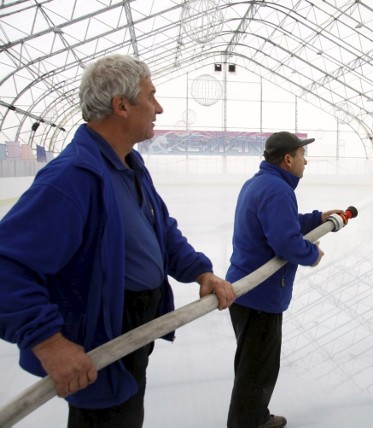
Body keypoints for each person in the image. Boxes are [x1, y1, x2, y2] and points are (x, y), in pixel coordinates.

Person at [0, 54, 236, 427]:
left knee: (126, 412)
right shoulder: (72, 178)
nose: (158, 108)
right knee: (107, 417)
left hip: (133, 332)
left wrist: (200, 272)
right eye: (151, 96)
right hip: (100, 338)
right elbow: (7, 266)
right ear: (121, 105)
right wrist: (48, 343)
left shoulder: (128, 165)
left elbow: (161, 231)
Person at [225, 131, 344, 428]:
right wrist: (311, 254)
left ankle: (249, 418)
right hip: (260, 294)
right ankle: (250, 422)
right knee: (258, 369)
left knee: (252, 366)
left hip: (247, 291)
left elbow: (283, 222)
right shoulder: (278, 190)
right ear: (288, 159)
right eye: (303, 156)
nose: (306, 162)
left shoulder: (261, 183)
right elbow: (285, 241)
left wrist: (317, 219)